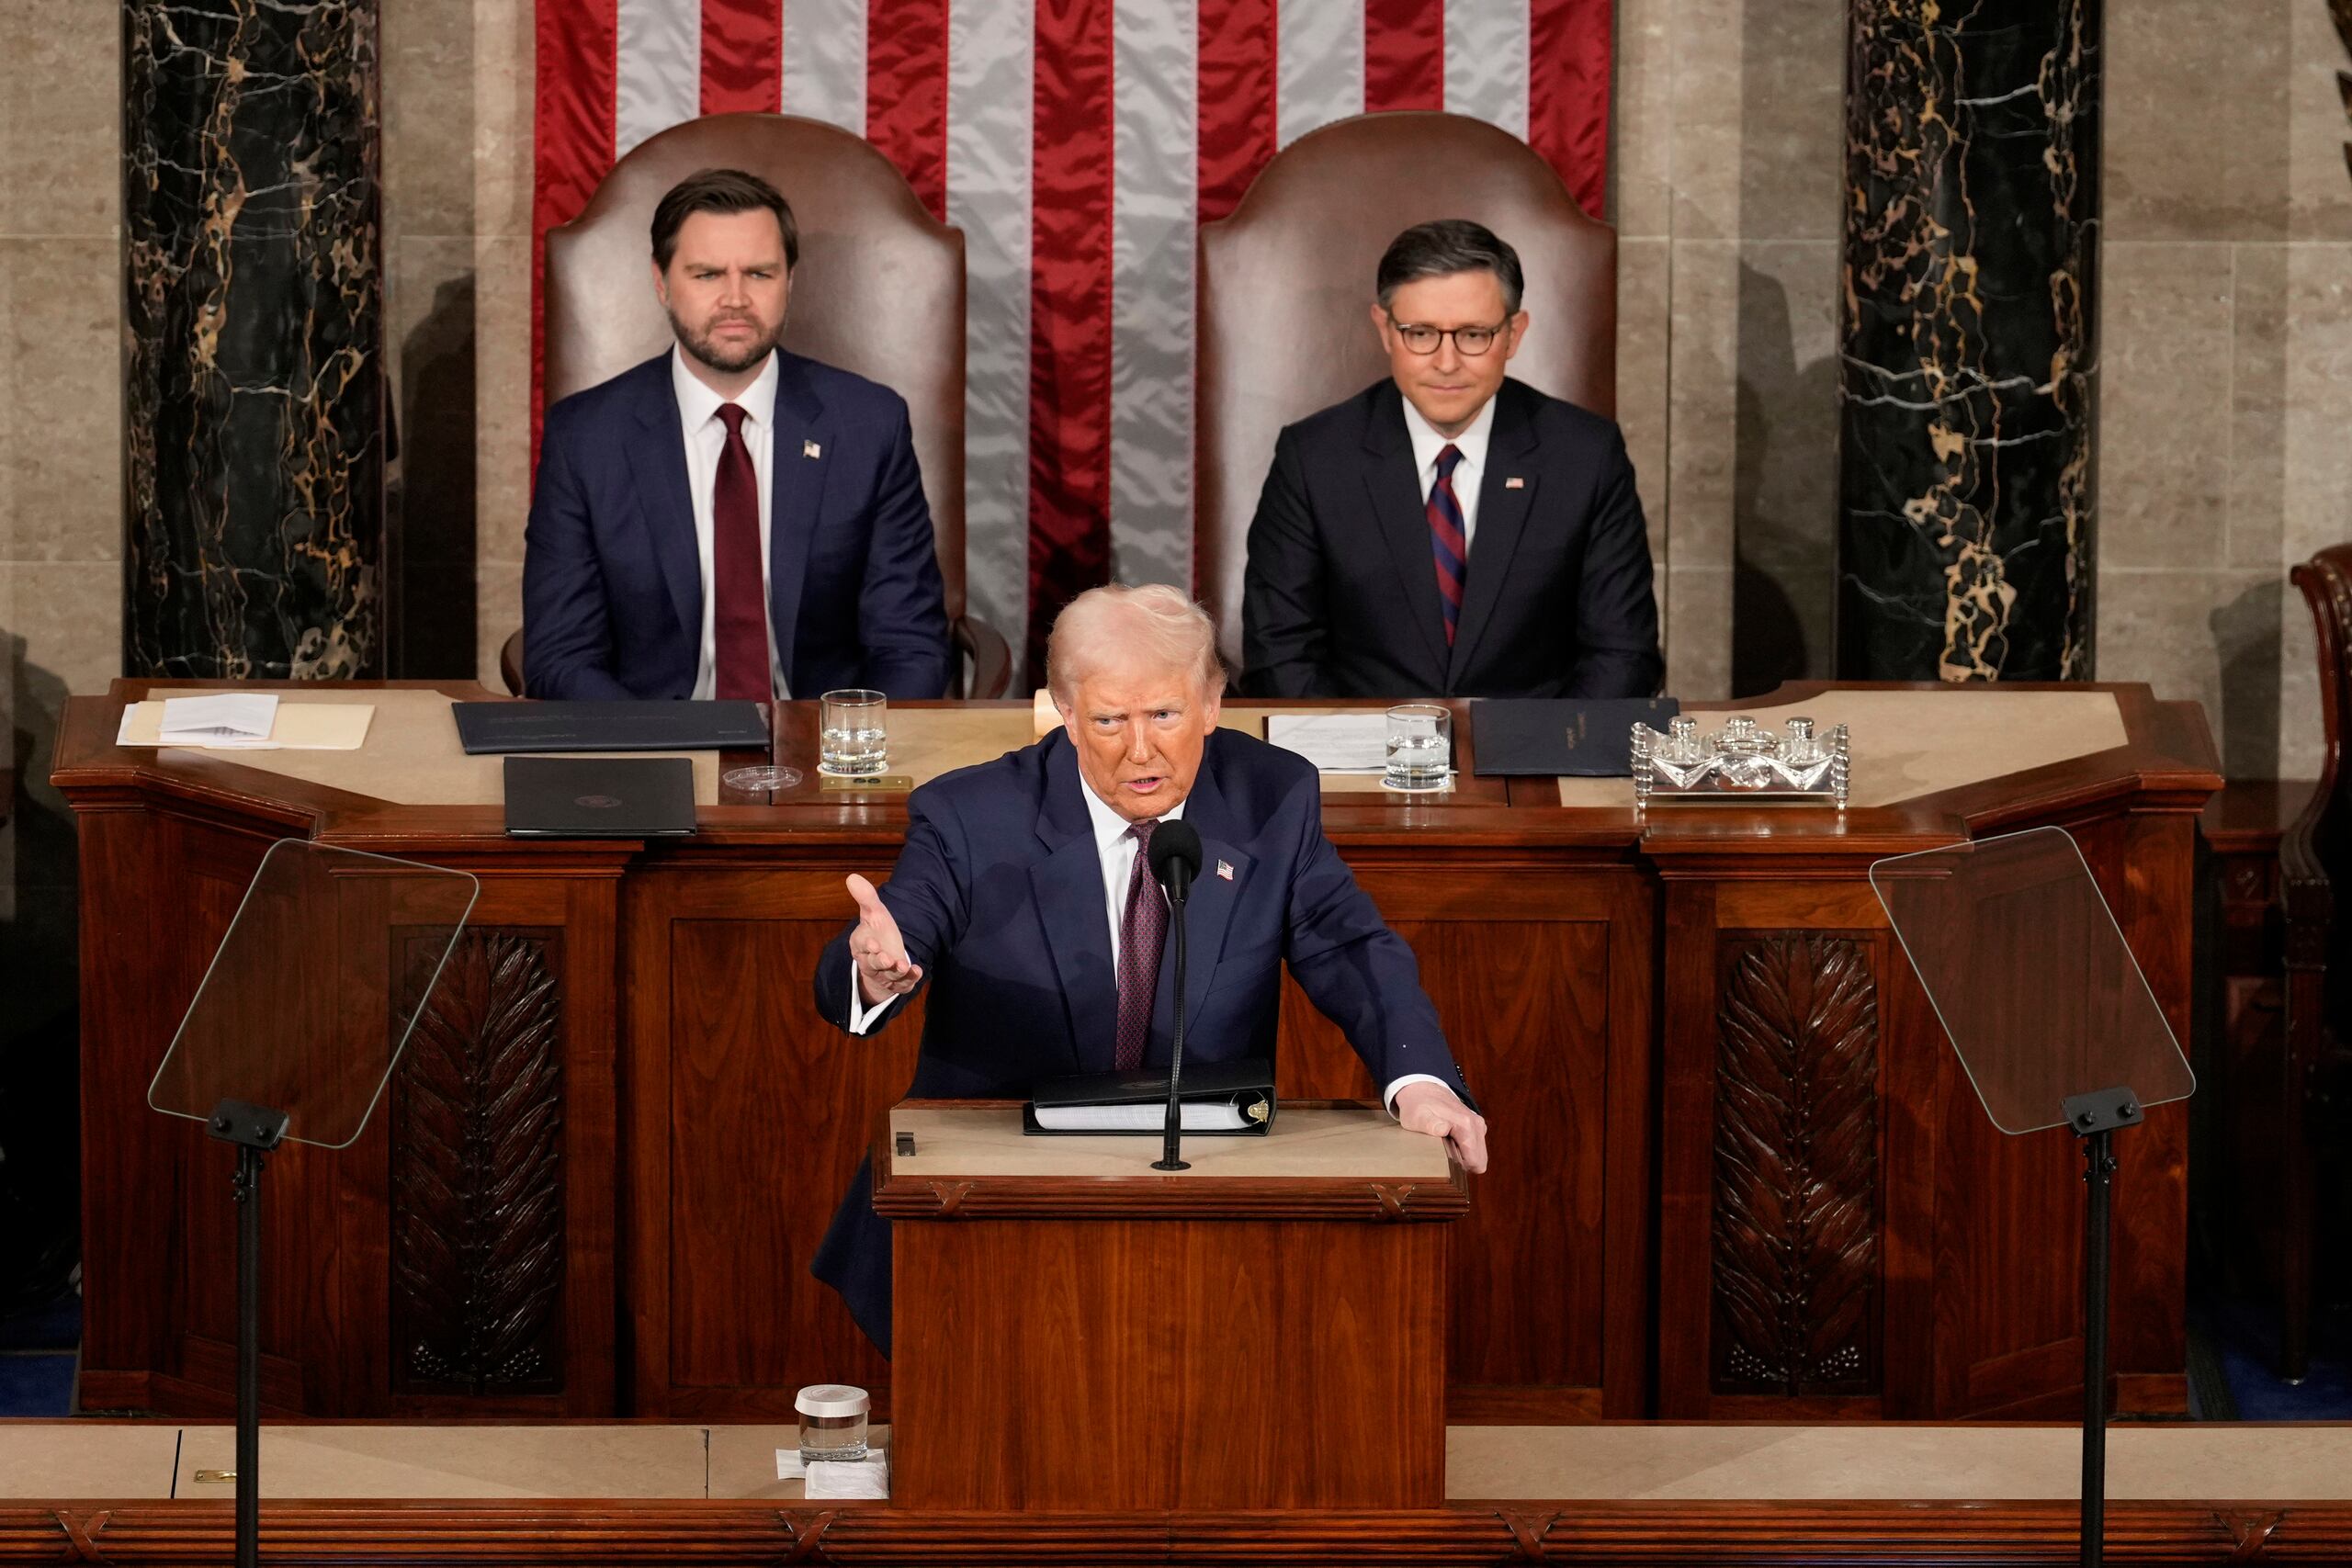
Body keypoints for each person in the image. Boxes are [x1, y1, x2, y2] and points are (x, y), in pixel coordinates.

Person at [809, 583, 1487, 1350]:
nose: (1141, 749)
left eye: (1164, 715)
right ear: (1063, 711)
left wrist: (1420, 1080)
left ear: (1210, 703)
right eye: (1108, 720)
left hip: (1207, 1211)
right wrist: (875, 971)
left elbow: (1350, 944)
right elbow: (902, 925)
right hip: (994, 1211)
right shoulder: (972, 814)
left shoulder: (1272, 797)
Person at [522, 167, 952, 701]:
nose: (735, 299)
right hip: (652, 753)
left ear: (789, 281)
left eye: (759, 273)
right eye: (706, 275)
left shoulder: (868, 426)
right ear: (661, 282)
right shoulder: (586, 438)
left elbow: (910, 645)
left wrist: (852, 755)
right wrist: (655, 755)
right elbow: (562, 656)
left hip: (828, 753)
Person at [1240, 219, 1663, 700]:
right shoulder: (1314, 458)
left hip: (1536, 759)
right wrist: (1348, 764)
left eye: (1474, 335)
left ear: (1513, 335)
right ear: (1385, 330)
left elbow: (1622, 654)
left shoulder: (1585, 455)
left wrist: (1552, 759)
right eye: (1420, 333)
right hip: (1358, 760)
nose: (1445, 362)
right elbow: (1281, 653)